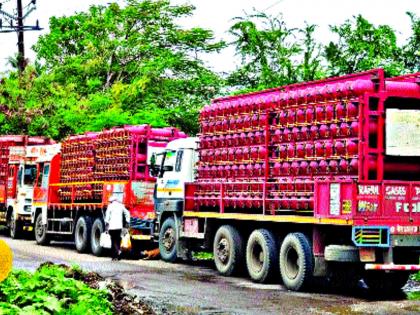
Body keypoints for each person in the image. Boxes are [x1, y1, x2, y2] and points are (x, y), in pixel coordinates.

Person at [105, 195, 130, 260]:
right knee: (118, 240)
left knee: (113, 241)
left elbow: (107, 216)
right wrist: (127, 222)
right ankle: (116, 256)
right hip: (119, 227)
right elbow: (127, 213)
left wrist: (106, 225)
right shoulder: (121, 206)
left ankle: (116, 253)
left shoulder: (110, 206)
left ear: (112, 201)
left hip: (112, 227)